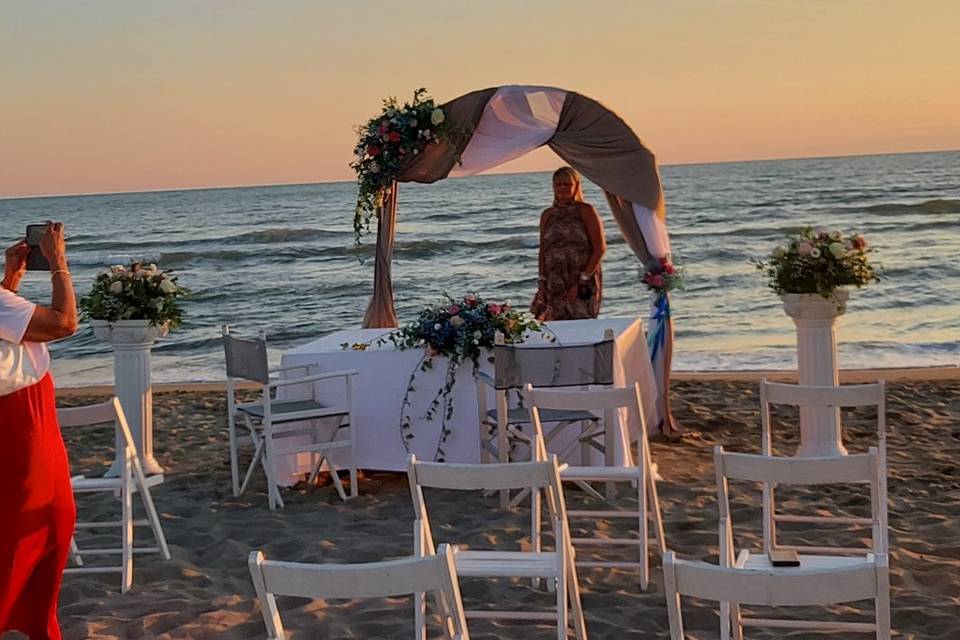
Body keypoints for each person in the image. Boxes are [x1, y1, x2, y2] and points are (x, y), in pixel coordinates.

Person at [0, 222, 78, 640]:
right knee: (32, 527)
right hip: (21, 426)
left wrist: (11, 278)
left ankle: (38, 624)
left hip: (27, 419)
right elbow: (64, 323)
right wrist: (58, 262)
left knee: (45, 525)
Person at [530, 167, 606, 321]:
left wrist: (582, 281)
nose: (562, 188)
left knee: (581, 322)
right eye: (558, 185)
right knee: (552, 326)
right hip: (554, 280)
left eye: (567, 184)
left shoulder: (586, 211)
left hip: (581, 278)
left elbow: (599, 249)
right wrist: (542, 282)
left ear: (576, 186)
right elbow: (543, 251)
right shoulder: (547, 215)